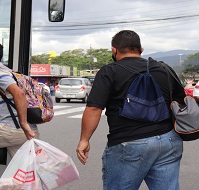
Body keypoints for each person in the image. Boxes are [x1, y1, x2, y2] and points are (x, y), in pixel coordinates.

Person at [76, 30, 185, 190]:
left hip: (129, 142)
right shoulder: (163, 68)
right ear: (141, 49)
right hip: (169, 140)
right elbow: (181, 101)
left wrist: (84, 140)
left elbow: (93, 108)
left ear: (114, 50)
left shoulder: (109, 71)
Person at [0, 41, 38, 190]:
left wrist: (22, 123)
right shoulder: (6, 71)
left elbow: (18, 93)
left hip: (12, 129)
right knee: (24, 178)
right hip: (26, 131)